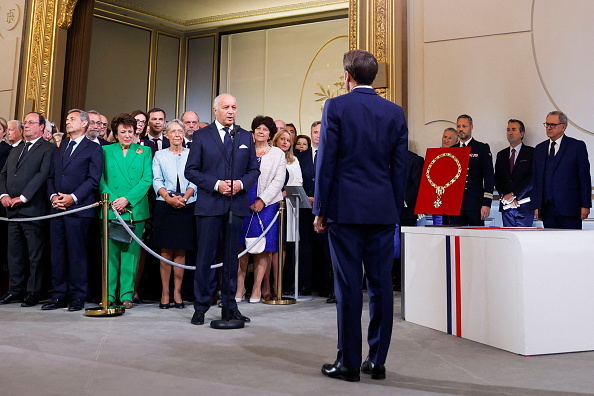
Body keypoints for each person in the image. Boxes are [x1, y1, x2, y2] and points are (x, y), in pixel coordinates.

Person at [314, 49, 408, 382]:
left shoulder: (336, 106)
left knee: (348, 287)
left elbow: (327, 161)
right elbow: (400, 168)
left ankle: (348, 363)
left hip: (345, 210)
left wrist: (320, 209)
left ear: (347, 76)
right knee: (382, 287)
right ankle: (377, 360)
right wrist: (394, 210)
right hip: (383, 210)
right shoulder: (395, 112)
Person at [184, 93, 259, 326]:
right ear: (215, 110)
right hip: (209, 205)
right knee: (205, 258)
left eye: (234, 107)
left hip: (235, 205)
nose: (230, 111)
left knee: (231, 259)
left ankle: (230, 304)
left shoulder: (245, 136)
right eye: (226, 107)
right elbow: (191, 170)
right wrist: (216, 184)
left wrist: (241, 184)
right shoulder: (201, 136)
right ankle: (201, 307)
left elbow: (254, 171)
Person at [43, 109, 103, 311]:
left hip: (79, 209)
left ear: (84, 124)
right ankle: (59, 294)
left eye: (72, 119)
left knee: (77, 253)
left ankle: (78, 295)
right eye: (67, 119)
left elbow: (93, 180)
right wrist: (54, 197)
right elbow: (51, 176)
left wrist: (72, 198)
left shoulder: (93, 148)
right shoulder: (61, 146)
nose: (67, 122)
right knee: (57, 252)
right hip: (57, 208)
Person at [0, 112, 55, 307]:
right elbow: (4, 173)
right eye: (26, 123)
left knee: (35, 253)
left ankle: (34, 291)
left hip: (33, 208)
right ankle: (15, 290)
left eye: (32, 123)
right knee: (14, 253)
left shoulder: (48, 148)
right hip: (12, 210)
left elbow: (43, 175)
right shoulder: (16, 149)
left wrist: (23, 197)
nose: (27, 125)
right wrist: (4, 195)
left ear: (41, 127)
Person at [99, 113, 153, 308]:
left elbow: (147, 179)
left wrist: (127, 200)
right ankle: (109, 295)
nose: (127, 135)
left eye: (130, 131)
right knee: (110, 254)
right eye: (123, 132)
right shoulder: (105, 150)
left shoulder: (144, 151)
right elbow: (100, 179)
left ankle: (126, 295)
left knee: (130, 255)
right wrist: (114, 200)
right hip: (111, 209)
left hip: (133, 210)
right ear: (116, 132)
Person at [236, 116, 285, 303]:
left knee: (263, 248)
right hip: (243, 201)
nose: (261, 131)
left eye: (265, 129)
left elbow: (279, 181)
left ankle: (257, 288)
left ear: (270, 133)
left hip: (268, 205)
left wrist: (263, 200)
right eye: (258, 128)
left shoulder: (277, 154)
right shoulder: (245, 151)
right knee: (242, 245)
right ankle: (240, 286)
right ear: (253, 131)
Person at [152, 120, 196, 309]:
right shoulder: (159, 155)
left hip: (187, 205)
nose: (177, 134)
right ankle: (165, 292)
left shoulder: (192, 154)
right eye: (173, 131)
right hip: (165, 205)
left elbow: (195, 180)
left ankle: (177, 291)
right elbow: (156, 180)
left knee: (181, 250)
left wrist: (184, 198)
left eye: (180, 131)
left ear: (184, 134)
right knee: (166, 251)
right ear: (167, 134)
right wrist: (169, 199)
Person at [532, 111, 591, 229]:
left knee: (571, 244)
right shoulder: (540, 148)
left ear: (563, 127)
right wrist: (537, 205)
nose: (549, 128)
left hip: (570, 208)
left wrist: (585, 205)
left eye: (553, 125)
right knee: (550, 244)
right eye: (547, 124)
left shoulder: (576, 146)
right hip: (547, 209)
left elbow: (584, 177)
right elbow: (536, 180)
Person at [271, 128, 303, 299]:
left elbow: (298, 182)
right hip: (269, 204)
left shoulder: (294, 160)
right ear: (275, 140)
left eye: (288, 140)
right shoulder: (270, 156)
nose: (285, 142)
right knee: (269, 246)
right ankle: (266, 286)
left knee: (282, 246)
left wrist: (283, 194)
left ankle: (279, 287)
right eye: (282, 139)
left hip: (287, 206)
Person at [450, 115, 494, 226]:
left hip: (475, 204)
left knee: (476, 240)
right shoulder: (452, 150)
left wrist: (486, 203)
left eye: (464, 126)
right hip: (455, 204)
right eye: (459, 126)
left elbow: (489, 177)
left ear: (471, 127)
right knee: (456, 239)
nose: (461, 129)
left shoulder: (481, 148)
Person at [494, 119, 535, 227]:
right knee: (509, 240)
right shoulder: (501, 154)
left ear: (522, 134)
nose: (510, 132)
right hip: (506, 207)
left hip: (524, 205)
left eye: (513, 129)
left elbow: (532, 178)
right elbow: (497, 179)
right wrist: (506, 197)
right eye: (508, 130)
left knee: (524, 240)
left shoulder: (531, 152)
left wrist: (514, 195)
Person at [433, 128, 459, 226]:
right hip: (437, 200)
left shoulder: (460, 158)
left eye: (450, 138)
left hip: (453, 202)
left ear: (456, 141)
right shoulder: (434, 156)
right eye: (444, 137)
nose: (446, 140)